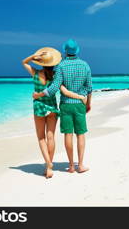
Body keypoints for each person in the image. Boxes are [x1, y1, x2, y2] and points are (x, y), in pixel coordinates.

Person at [22, 47, 86, 178]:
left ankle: (48, 164)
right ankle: (48, 165)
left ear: (41, 63)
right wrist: (80, 97)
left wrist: (34, 56)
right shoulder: (56, 76)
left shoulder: (35, 73)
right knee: (50, 137)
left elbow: (24, 62)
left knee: (41, 138)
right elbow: (64, 91)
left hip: (39, 107)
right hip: (52, 107)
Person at [34, 39, 92, 173]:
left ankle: (71, 166)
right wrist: (88, 104)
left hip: (66, 104)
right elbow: (89, 88)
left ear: (65, 52)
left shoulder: (61, 66)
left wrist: (39, 94)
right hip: (80, 104)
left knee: (68, 134)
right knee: (81, 135)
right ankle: (81, 165)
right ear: (77, 51)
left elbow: (54, 88)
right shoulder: (85, 65)